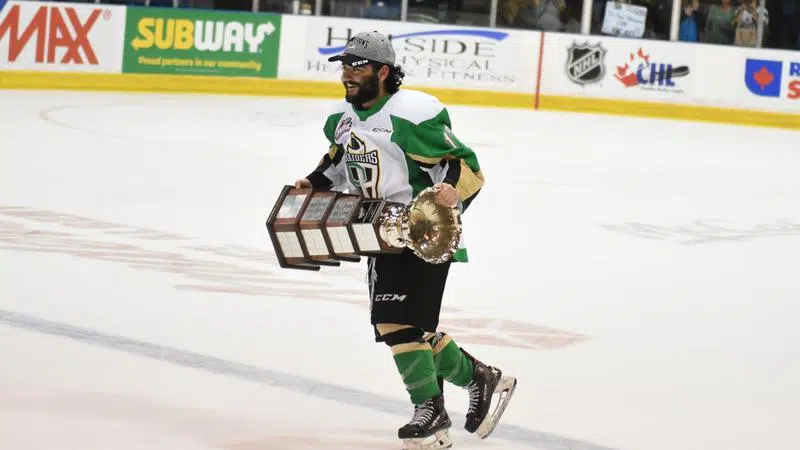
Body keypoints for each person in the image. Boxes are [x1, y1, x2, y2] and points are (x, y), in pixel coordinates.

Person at [293, 31, 517, 449]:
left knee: (395, 323)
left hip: (423, 229)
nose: (347, 74)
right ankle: (479, 377)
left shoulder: (412, 114)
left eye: (357, 66)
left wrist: (451, 188)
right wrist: (313, 181)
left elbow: (462, 162)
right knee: (407, 327)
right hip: (377, 228)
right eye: (344, 65)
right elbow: (339, 159)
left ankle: (429, 412)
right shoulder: (341, 118)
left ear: (383, 71)